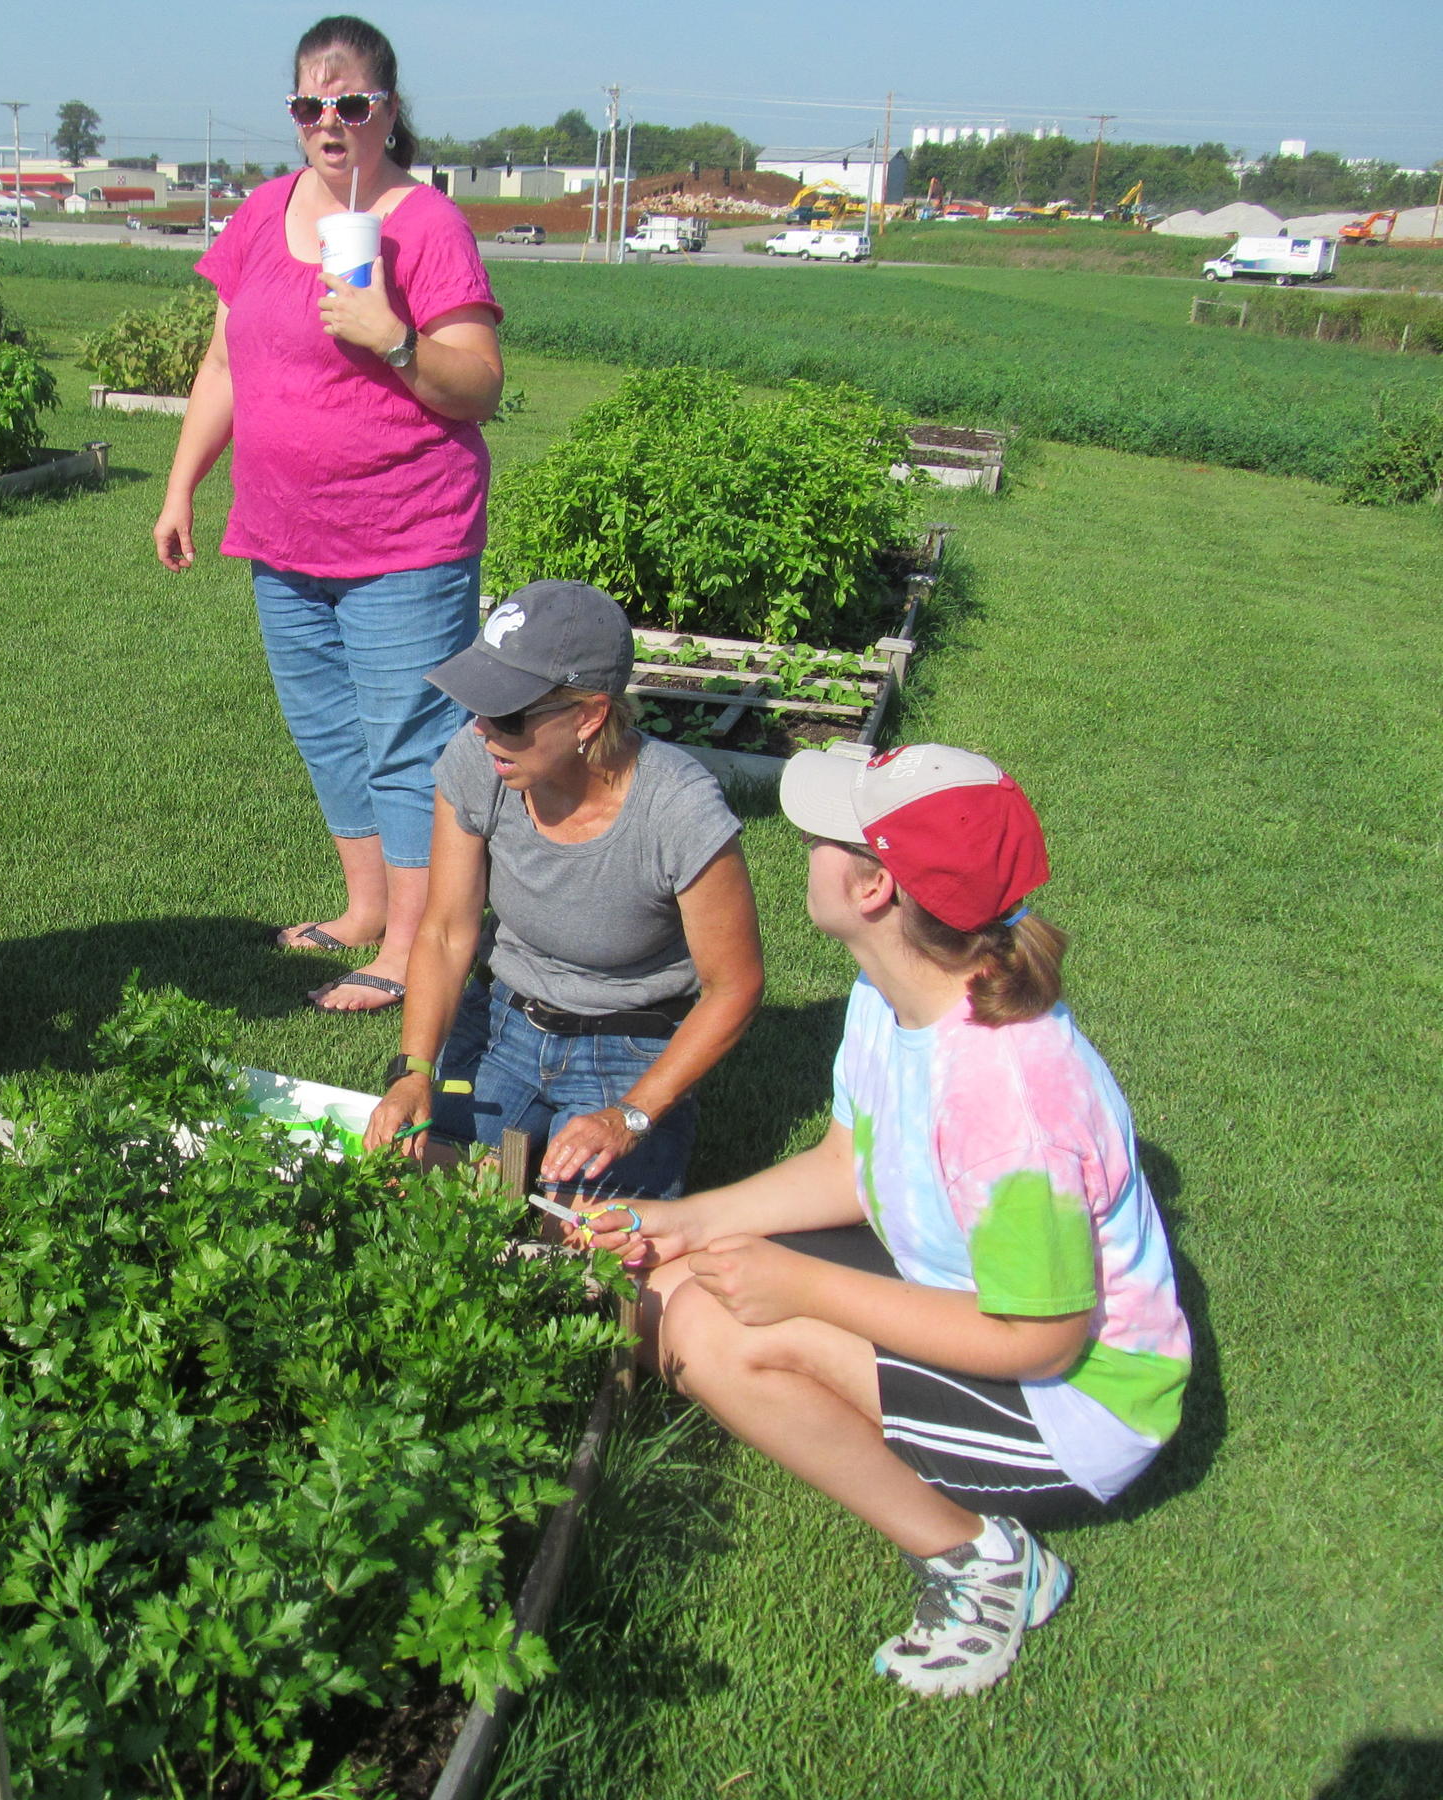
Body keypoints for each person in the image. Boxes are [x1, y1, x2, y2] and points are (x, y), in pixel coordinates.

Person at [579, 744, 1191, 1696]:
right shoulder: (895, 991)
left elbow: (1044, 1335)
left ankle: (983, 1563)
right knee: (670, 1285)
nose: (805, 847)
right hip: (972, 1300)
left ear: (873, 889)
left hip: (1077, 1407)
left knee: (704, 1328)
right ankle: (958, 1529)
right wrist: (685, 1221)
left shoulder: (1008, 1100)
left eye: (824, 836)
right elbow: (848, 1167)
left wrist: (807, 1288)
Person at [156, 14, 505, 1014]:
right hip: (282, 533)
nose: (330, 122)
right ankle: (361, 910)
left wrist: (394, 337)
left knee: (407, 738)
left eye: (350, 103)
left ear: (389, 110)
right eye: (310, 105)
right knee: (327, 732)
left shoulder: (426, 225)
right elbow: (225, 360)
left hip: (405, 535)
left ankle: (408, 945)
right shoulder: (262, 213)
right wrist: (183, 483)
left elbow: (477, 383)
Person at [364, 581, 764, 1199]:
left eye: (508, 716)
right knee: (417, 1185)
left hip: (632, 1041)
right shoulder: (479, 764)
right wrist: (413, 1070)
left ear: (588, 715)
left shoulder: (679, 808)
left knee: (587, 1241)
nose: (481, 731)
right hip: (506, 1019)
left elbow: (734, 985)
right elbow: (446, 932)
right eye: (477, 707)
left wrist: (632, 1113)